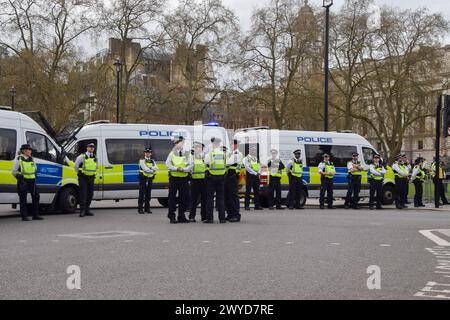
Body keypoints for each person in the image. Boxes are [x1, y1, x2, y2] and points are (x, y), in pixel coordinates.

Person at [12, 144, 43, 221]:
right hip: (23, 181)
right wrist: (19, 177)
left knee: (36, 197)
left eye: (30, 150)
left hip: (32, 181)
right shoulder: (19, 159)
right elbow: (13, 172)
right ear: (25, 151)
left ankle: (35, 215)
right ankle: (24, 216)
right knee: (23, 199)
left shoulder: (31, 158)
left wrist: (35, 175)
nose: (30, 151)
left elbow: (34, 169)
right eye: (29, 150)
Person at [166, 136, 192, 224]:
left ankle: (182, 215)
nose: (180, 144)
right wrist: (176, 168)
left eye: (181, 142)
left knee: (184, 197)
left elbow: (191, 165)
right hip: (174, 178)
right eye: (178, 143)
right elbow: (167, 164)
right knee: (172, 198)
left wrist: (184, 170)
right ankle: (171, 215)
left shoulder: (187, 153)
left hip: (184, 178)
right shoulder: (172, 153)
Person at [204, 137, 227, 223]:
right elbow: (226, 164)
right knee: (221, 198)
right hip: (221, 178)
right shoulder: (223, 154)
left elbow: (206, 164)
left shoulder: (210, 154)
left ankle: (210, 218)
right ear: (219, 144)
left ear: (213, 144)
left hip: (211, 177)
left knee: (210, 198)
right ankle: (222, 218)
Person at [74, 142, 97, 217]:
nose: (91, 148)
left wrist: (93, 174)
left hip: (91, 177)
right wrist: (81, 174)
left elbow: (96, 167)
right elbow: (76, 166)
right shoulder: (82, 157)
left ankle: (87, 210)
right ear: (87, 148)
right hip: (83, 178)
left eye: (93, 147)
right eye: (90, 147)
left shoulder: (95, 157)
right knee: (83, 194)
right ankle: (82, 211)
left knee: (90, 194)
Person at [225, 139, 243, 222]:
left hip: (233, 175)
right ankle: (230, 214)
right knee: (227, 196)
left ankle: (236, 215)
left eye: (232, 144)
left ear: (235, 145)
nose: (231, 146)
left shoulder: (237, 154)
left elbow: (228, 162)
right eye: (231, 144)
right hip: (228, 175)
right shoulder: (230, 153)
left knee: (233, 196)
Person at [189, 141, 207, 222]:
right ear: (195, 149)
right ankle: (192, 216)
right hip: (194, 180)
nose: (199, 149)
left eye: (200, 148)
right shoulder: (191, 156)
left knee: (204, 200)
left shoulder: (205, 157)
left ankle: (204, 216)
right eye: (197, 147)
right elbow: (189, 167)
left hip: (204, 181)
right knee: (194, 199)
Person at [138, 147, 158, 214]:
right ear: (144, 153)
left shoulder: (152, 160)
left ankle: (147, 208)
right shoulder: (142, 160)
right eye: (146, 152)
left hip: (150, 179)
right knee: (142, 194)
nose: (147, 154)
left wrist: (150, 168)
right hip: (143, 178)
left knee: (148, 195)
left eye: (149, 153)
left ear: (151, 153)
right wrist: (152, 169)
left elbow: (156, 167)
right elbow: (145, 169)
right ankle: (140, 209)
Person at [244, 146, 263, 211]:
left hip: (256, 176)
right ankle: (247, 206)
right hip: (250, 176)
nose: (254, 151)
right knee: (248, 191)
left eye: (255, 150)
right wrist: (255, 173)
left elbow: (260, 166)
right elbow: (247, 167)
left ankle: (257, 206)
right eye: (252, 150)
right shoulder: (246, 158)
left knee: (257, 191)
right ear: (249, 151)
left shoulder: (256, 158)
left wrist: (259, 172)